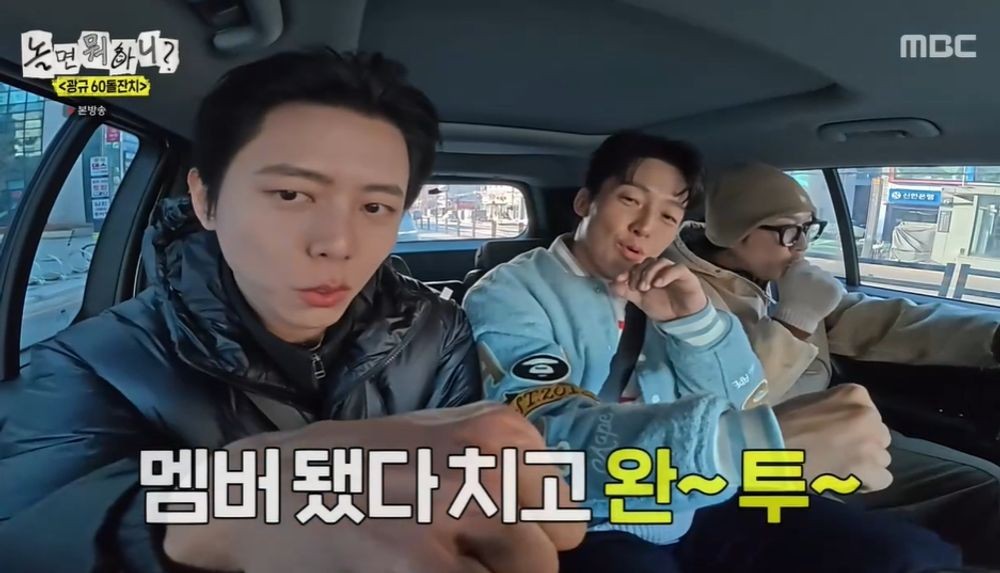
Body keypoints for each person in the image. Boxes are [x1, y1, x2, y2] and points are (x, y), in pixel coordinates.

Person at [0, 49, 584, 573]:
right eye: (291, 194)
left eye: (375, 207)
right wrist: (210, 515)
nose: (337, 243)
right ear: (206, 199)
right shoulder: (89, 366)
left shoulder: (438, 331)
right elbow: (29, 531)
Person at [462, 131, 961, 573]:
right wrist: (747, 443)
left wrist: (697, 327)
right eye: (631, 200)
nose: (646, 227)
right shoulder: (510, 292)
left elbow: (743, 396)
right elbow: (540, 441)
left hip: (704, 495)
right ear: (585, 201)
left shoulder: (676, 286)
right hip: (591, 515)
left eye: (669, 215)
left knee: (908, 555)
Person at [665, 161, 1000, 567]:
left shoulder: (778, 278)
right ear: (735, 231)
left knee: (987, 489)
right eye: (789, 231)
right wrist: (794, 321)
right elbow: (727, 401)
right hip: (762, 455)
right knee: (900, 552)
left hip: (840, 428)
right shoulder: (679, 292)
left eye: (809, 229)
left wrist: (990, 338)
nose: (802, 245)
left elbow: (877, 322)